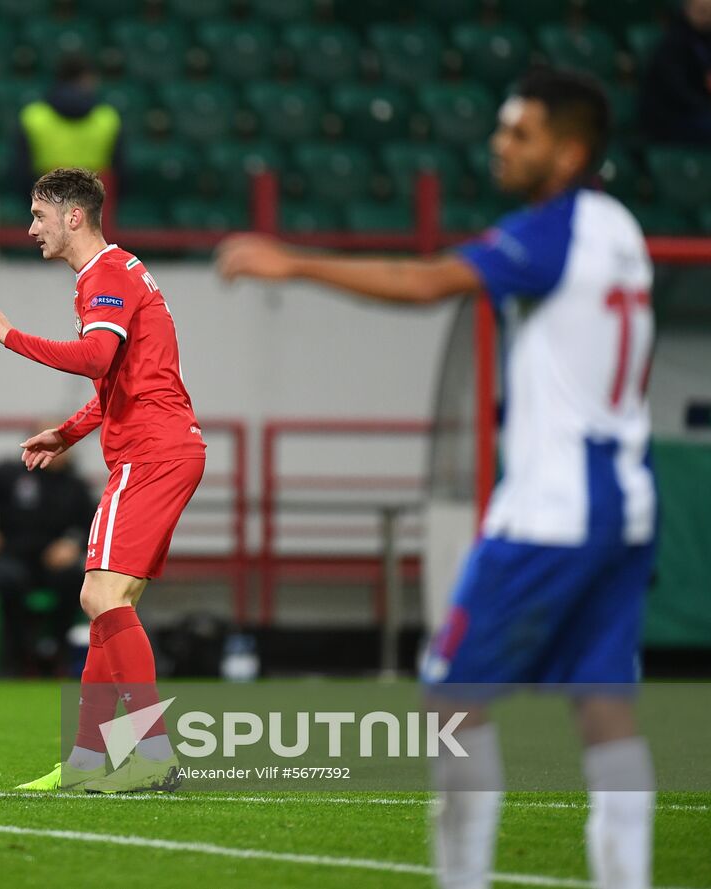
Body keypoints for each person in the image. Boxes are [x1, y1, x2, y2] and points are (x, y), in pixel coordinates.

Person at [217, 69, 656, 889]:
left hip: (552, 511)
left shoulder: (551, 231)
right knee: (604, 706)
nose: (499, 144)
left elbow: (424, 282)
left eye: (518, 133)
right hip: (626, 500)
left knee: (452, 702)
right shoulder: (621, 228)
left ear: (568, 152)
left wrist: (295, 264)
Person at [0, 167, 206, 793]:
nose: (31, 227)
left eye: (39, 216)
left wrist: (9, 336)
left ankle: (153, 754)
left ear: (74, 216)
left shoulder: (106, 276)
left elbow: (98, 359)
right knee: (105, 604)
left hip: (150, 453)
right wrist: (67, 433)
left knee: (100, 599)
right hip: (162, 448)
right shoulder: (117, 274)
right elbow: (115, 382)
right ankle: (88, 763)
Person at [0, 441, 96, 675]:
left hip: (52, 561)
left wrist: (73, 545)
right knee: (7, 580)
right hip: (13, 555)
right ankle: (20, 652)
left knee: (75, 581)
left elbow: (96, 520)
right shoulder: (11, 473)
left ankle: (54, 648)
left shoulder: (74, 485)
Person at [12, 54, 123, 200]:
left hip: (46, 200)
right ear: (86, 78)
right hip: (95, 203)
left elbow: (19, 171)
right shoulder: (108, 118)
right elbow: (121, 171)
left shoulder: (33, 116)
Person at [639, 0, 711, 144]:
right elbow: (675, 89)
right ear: (686, 8)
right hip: (671, 116)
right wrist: (704, 106)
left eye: (709, 12)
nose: (706, 16)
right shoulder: (672, 43)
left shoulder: (706, 40)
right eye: (701, 11)